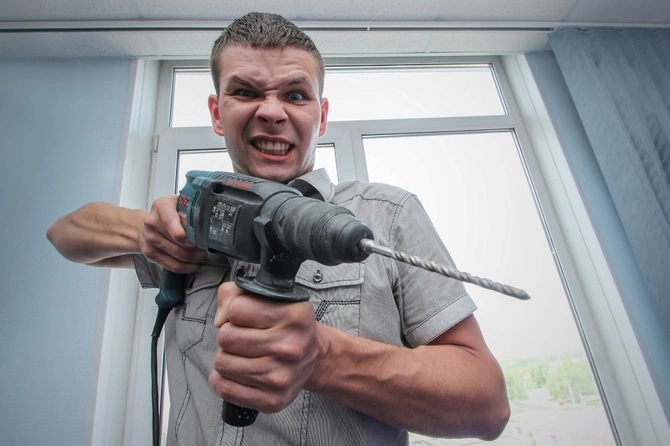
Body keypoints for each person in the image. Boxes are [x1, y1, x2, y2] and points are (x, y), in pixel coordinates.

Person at [47, 12, 510, 446]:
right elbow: (66, 233)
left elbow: (487, 406)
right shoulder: (199, 217)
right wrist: (146, 231)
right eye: (245, 92)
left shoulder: (387, 215)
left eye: (295, 95)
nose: (271, 112)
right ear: (217, 112)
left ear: (321, 116)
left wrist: (324, 358)